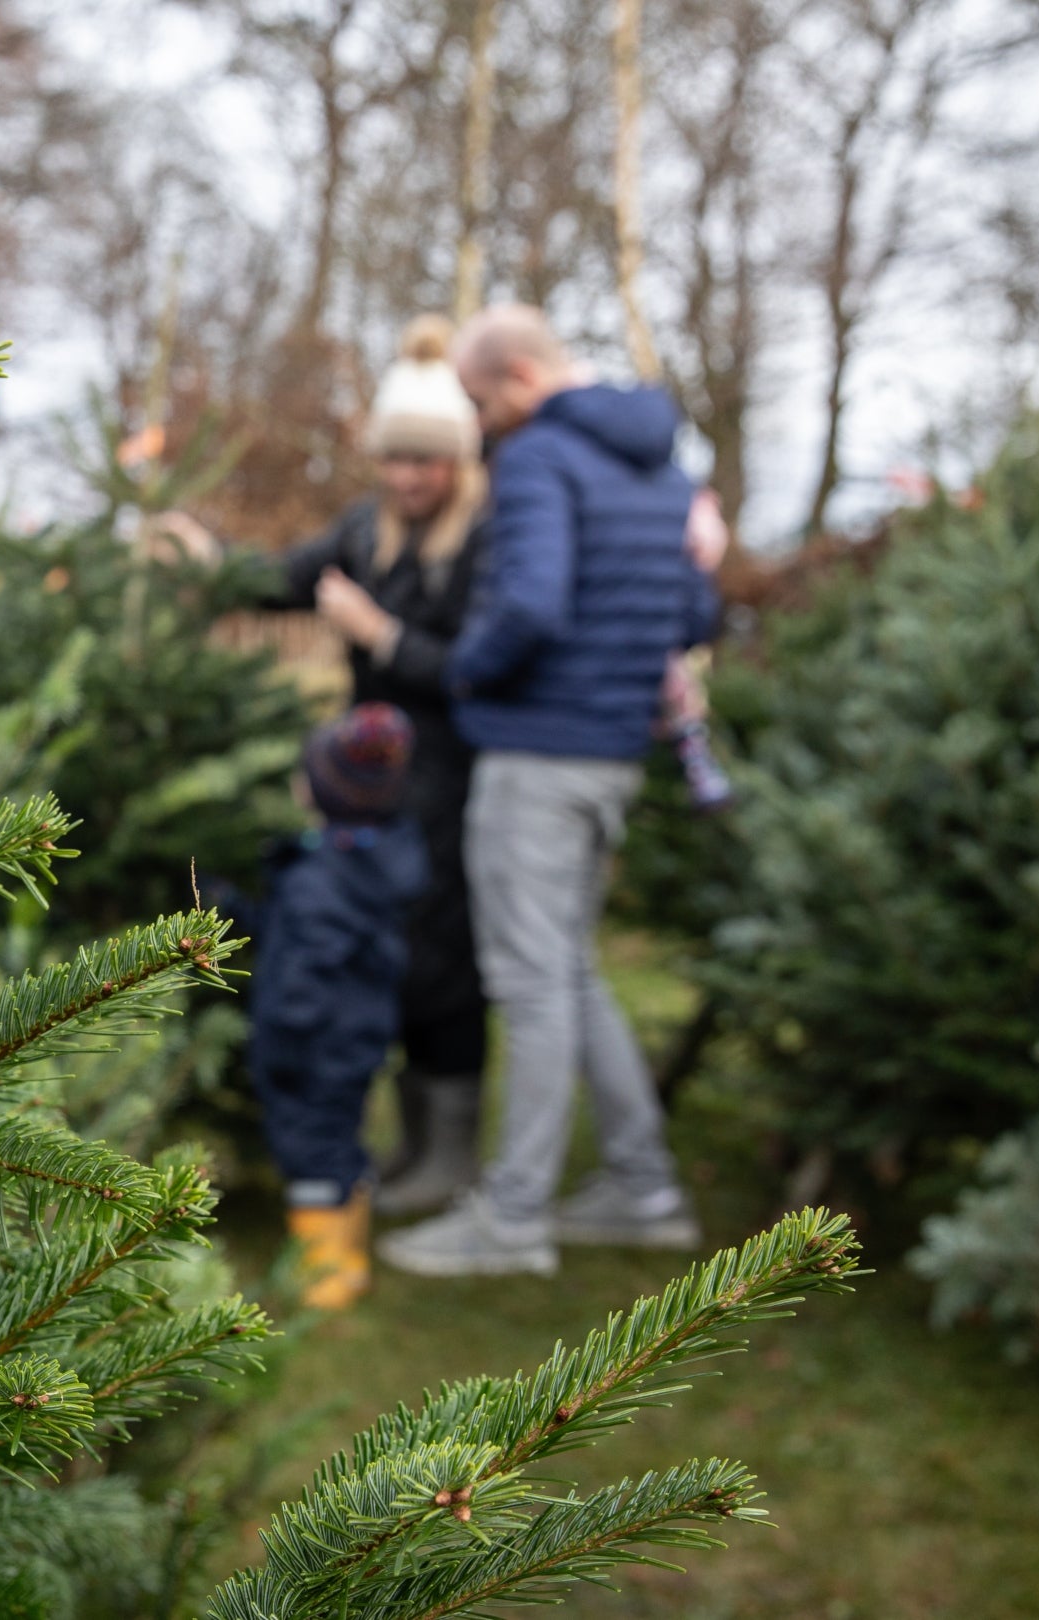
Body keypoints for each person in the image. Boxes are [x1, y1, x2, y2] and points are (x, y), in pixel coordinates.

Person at [377, 304, 719, 1279]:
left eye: (482, 401)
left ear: (519, 378)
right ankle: (642, 1190)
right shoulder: (663, 464)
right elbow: (697, 604)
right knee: (567, 969)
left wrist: (466, 673)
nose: (482, 423)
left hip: (536, 752)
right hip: (614, 753)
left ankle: (512, 1217)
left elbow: (529, 602)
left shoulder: (537, 459)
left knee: (529, 985)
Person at [251, 314, 492, 1218]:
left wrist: (378, 635)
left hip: (456, 775)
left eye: (425, 461)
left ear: (458, 462)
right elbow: (283, 576)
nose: (407, 477)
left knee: (447, 960)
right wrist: (202, 564)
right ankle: (409, 1144)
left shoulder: (482, 539)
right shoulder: (364, 529)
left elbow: (474, 669)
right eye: (394, 460)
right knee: (390, 952)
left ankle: (449, 1153)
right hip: (375, 781)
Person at [246, 703, 424, 1309]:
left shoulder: (317, 880)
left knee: (311, 1154)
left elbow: (303, 968)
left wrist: (285, 1044)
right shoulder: (381, 854)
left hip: (311, 1047)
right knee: (343, 1139)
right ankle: (350, 1257)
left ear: (319, 789)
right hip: (359, 1034)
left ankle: (324, 1280)